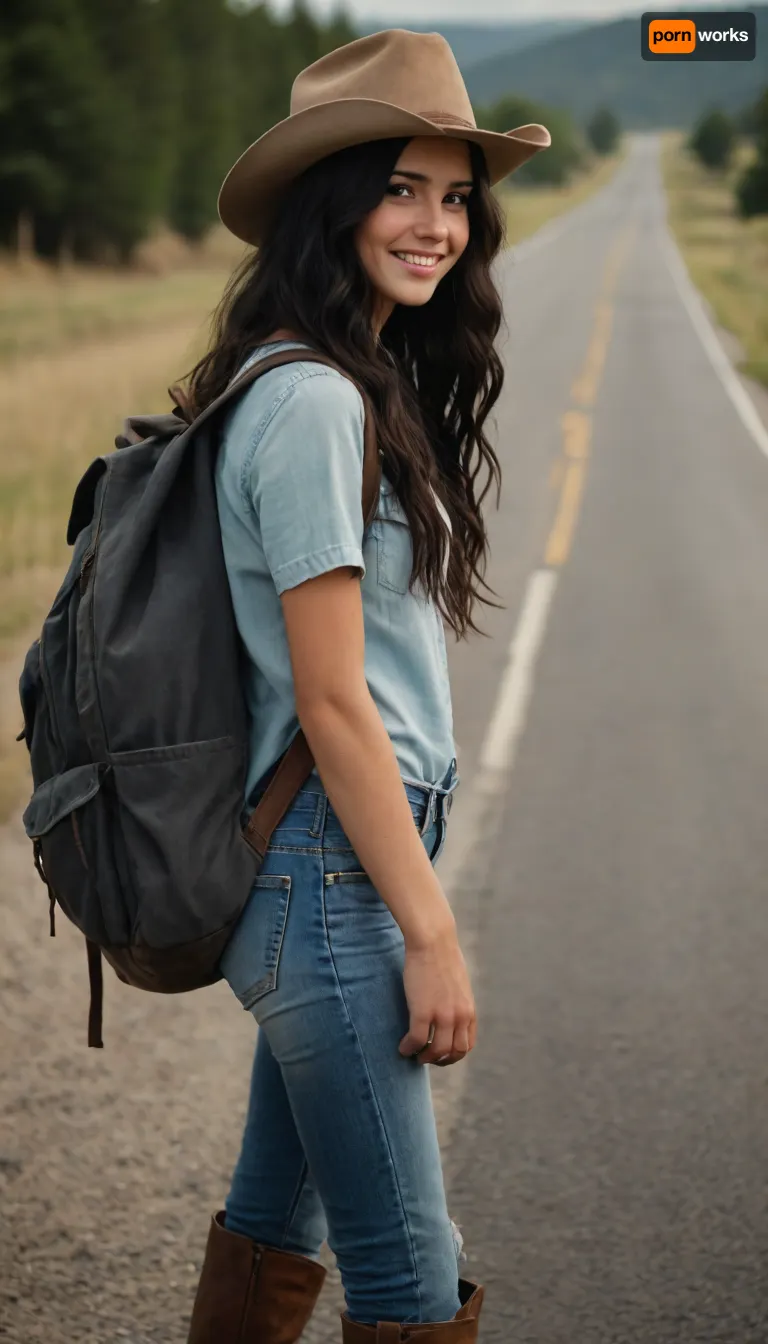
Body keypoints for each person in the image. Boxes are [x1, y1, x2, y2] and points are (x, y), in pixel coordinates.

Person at [182, 28, 549, 1343]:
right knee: (409, 1276)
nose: (438, 224)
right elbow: (335, 704)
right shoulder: (316, 404)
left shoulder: (333, 382)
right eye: (403, 187)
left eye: (457, 197)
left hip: (328, 880)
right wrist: (432, 932)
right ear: (332, 202)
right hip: (333, 887)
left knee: (277, 1226)